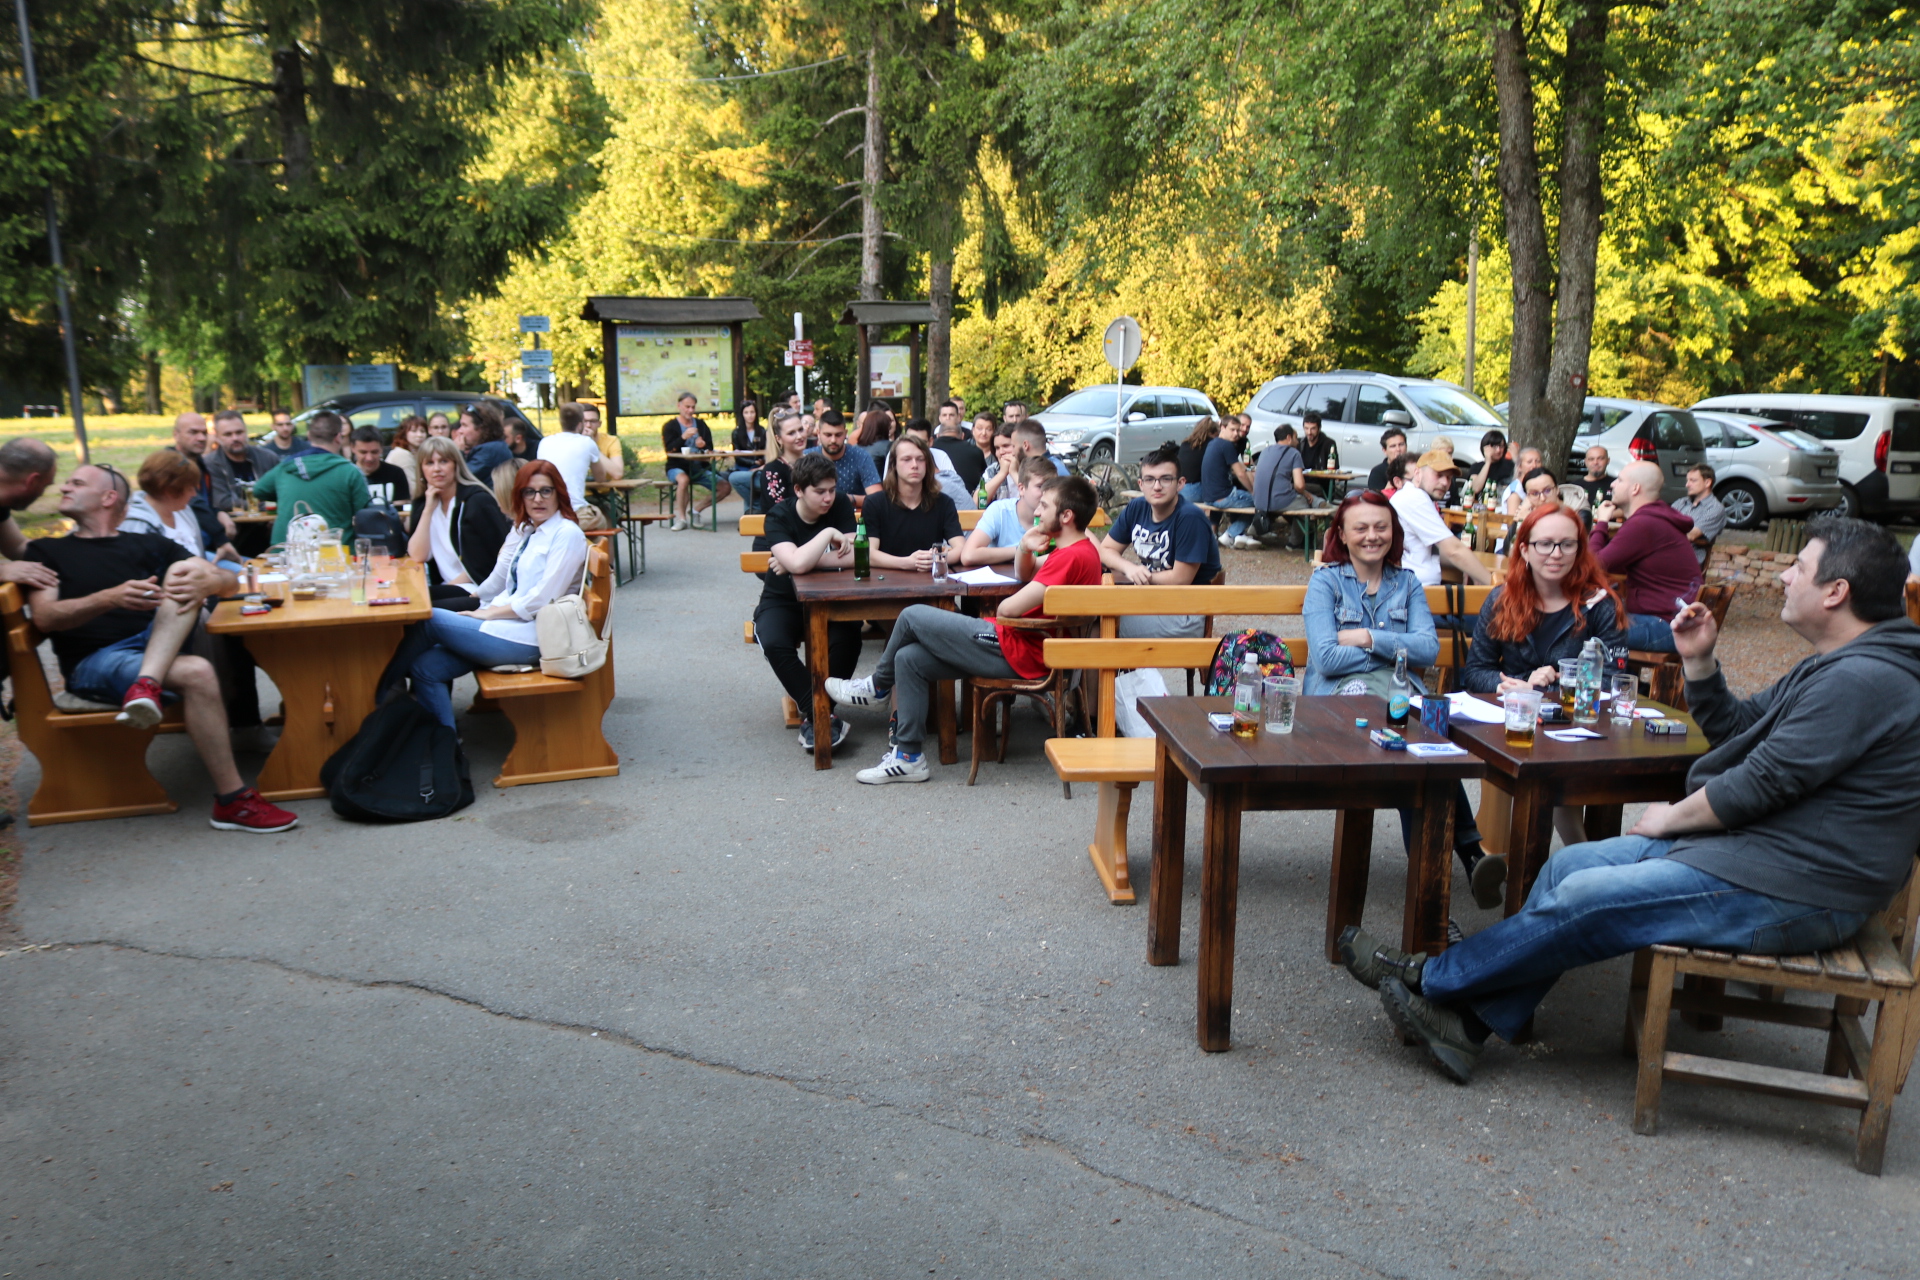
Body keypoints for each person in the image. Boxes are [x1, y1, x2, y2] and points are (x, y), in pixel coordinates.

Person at [1336, 516, 1920, 1085]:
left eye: (1799, 566)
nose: (1787, 577)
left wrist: (1673, 819)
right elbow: (1738, 732)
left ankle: (1432, 979)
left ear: (1836, 592)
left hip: (1801, 886)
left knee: (1589, 897)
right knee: (1567, 863)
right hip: (1757, 853)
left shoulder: (1864, 680)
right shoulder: (1837, 666)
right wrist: (1699, 661)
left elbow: (1761, 782)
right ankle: (1467, 1024)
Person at [22, 463, 298, 832]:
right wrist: (109, 598)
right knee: (198, 672)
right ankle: (234, 800)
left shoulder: (149, 544)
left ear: (109, 497)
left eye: (76, 483)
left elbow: (227, 582)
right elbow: (46, 618)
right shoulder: (45, 550)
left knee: (187, 576)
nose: (64, 488)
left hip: (155, 645)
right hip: (97, 659)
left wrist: (209, 582)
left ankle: (146, 684)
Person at [829, 475, 1104, 784]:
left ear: (1066, 516)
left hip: (1025, 653)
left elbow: (1007, 610)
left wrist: (1014, 598)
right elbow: (1024, 572)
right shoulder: (1077, 551)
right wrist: (1024, 547)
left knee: (912, 616)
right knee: (909, 659)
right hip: (1029, 648)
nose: (1037, 512)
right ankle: (908, 757)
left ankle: (877, 687)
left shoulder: (1068, 557)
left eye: (1044, 505)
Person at [1304, 490, 1487, 887]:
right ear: (1343, 534)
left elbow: (1430, 648)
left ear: (1393, 531)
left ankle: (1437, 888)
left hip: (1399, 702)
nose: (1372, 535)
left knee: (1419, 756)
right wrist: (1394, 652)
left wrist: (1367, 636)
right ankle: (1467, 857)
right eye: (1362, 528)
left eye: (1381, 527)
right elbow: (1326, 660)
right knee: (1418, 753)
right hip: (1341, 703)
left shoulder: (1407, 584)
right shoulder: (1325, 582)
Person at [1461, 501, 1628, 903]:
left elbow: (1614, 676)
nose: (1556, 554)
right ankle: (1584, 875)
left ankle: (1572, 877)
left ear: (1580, 549)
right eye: (1545, 544)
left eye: (1567, 545)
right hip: (1516, 725)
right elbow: (1476, 672)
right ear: (1524, 549)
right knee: (1544, 775)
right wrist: (1509, 687)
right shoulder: (1502, 599)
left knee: (1550, 776)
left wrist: (1557, 682)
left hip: (1580, 724)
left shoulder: (1599, 604)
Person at [381, 461, 587, 726]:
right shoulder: (527, 529)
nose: (538, 499)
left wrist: (487, 613)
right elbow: (499, 579)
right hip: (505, 626)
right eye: (529, 492)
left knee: (429, 620)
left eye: (546, 491)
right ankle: (448, 750)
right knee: (426, 668)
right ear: (519, 496)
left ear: (559, 493)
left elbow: (541, 600)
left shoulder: (566, 534)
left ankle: (377, 697)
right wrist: (476, 598)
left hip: (534, 638)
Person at [751, 453, 860, 752]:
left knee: (849, 637)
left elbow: (850, 555)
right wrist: (827, 533)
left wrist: (798, 560)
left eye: (832, 489)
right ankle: (820, 712)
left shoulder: (839, 504)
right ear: (799, 490)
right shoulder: (779, 516)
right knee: (772, 640)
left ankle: (816, 715)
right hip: (782, 600)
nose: (828, 498)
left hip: (830, 597)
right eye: (819, 491)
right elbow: (799, 563)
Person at [1099, 442, 1223, 637]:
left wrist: (1141, 578)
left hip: (1185, 615)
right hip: (1152, 600)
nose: (1157, 486)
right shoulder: (1137, 507)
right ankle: (1133, 669)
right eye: (1149, 479)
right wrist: (1130, 569)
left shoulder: (1190, 518)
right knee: (1090, 614)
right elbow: (1105, 549)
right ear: (1140, 484)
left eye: (1165, 479)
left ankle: (1131, 668)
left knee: (1099, 626)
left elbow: (1180, 579)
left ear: (1180, 483)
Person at [1590, 459, 1701, 653]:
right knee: (1594, 621)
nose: (1612, 484)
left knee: (1583, 628)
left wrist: (1601, 523)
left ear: (1635, 488)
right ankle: (1628, 681)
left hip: (1669, 627)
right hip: (1675, 621)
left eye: (1619, 480)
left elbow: (1592, 564)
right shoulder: (1653, 518)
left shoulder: (1644, 524)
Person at [406, 437, 512, 607]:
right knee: (407, 599)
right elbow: (418, 555)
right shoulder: (423, 503)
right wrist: (427, 511)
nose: (437, 469)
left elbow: (496, 556)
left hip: (479, 589)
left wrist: (449, 587)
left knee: (420, 606)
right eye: (429, 463)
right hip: (447, 587)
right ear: (421, 470)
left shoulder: (476, 501)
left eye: (444, 461)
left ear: (456, 464)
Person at [251, 411, 371, 543]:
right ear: (338, 437)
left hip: (284, 554)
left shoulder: (285, 467)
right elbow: (365, 515)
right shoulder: (351, 472)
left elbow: (259, 490)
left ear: (309, 436)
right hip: (333, 554)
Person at [1389, 445, 1492, 588]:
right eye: (1438, 475)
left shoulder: (1413, 496)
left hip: (1415, 587)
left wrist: (1473, 569)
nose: (1445, 483)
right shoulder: (1414, 497)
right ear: (1417, 473)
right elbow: (1453, 550)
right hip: (1417, 593)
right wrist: (1496, 586)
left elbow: (1438, 552)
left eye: (1449, 478)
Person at [962, 456, 1055, 567]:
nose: (1047, 492)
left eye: (1052, 487)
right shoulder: (1000, 510)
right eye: (1040, 486)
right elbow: (968, 555)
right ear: (1021, 489)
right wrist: (1022, 549)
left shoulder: (1059, 516)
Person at [119, 451, 209, 560]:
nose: (194, 494)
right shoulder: (138, 525)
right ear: (170, 491)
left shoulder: (184, 511)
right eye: (190, 489)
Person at [537, 402, 612, 529]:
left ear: (561, 422)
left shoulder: (544, 442)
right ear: (580, 424)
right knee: (604, 522)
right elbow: (601, 478)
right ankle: (604, 549)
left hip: (548, 511)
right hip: (575, 512)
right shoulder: (587, 443)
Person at [660, 391, 726, 529]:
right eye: (687, 407)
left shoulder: (701, 425)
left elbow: (709, 449)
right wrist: (683, 438)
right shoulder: (670, 426)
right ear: (679, 406)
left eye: (693, 407)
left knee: (724, 487)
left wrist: (704, 446)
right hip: (677, 466)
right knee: (683, 480)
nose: (690, 410)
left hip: (699, 467)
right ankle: (682, 519)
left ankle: (696, 510)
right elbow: (669, 450)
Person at [1194, 415, 1258, 548]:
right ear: (1222, 427)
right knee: (1260, 503)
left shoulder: (1213, 443)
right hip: (1223, 496)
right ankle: (1230, 534)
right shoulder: (1226, 445)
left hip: (1209, 496)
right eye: (1232, 430)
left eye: (1238, 430)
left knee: (1242, 497)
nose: (1236, 433)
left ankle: (1232, 534)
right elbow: (1240, 473)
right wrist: (1253, 491)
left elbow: (1247, 463)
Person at [883, 419, 976, 511]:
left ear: (930, 442)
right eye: (907, 459)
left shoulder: (944, 487)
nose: (914, 465)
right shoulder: (895, 454)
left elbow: (951, 485)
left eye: (920, 459)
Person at [1252, 423, 1316, 546]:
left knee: (1300, 498)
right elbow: (1299, 485)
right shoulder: (1294, 453)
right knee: (1306, 507)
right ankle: (1295, 543)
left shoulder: (1265, 451)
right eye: (1296, 438)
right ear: (1289, 437)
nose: (1297, 442)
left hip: (1259, 500)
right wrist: (1304, 493)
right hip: (1279, 501)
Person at [204, 410, 279, 512]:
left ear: (246, 432)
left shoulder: (269, 458)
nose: (235, 438)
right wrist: (261, 506)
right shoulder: (210, 464)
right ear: (217, 437)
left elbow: (281, 492)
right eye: (228, 434)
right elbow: (223, 501)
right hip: (234, 525)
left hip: (270, 521)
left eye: (239, 432)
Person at [806, 409, 883, 504]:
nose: (833, 440)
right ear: (818, 433)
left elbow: (877, 499)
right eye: (828, 435)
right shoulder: (807, 458)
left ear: (846, 433)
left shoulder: (861, 456)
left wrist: (846, 499)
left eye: (838, 435)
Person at [1670, 464, 1727, 567]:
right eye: (1687, 480)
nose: (1687, 485)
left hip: (1687, 559)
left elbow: (1691, 535)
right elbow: (1661, 525)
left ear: (1707, 482)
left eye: (1693, 480)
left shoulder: (1715, 509)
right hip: (1666, 553)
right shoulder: (1681, 502)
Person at [456, 402, 516, 489]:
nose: (459, 431)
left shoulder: (490, 450)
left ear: (481, 428)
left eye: (464, 426)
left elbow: (461, 478)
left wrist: (458, 452)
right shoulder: (493, 447)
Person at [349, 427, 413, 506]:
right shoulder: (346, 476)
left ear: (381, 448)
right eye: (363, 452)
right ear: (352, 448)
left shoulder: (395, 473)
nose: (369, 458)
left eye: (374, 452)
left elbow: (402, 506)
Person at [933, 400, 987, 491]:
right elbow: (984, 478)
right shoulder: (975, 451)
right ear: (962, 436)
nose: (948, 418)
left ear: (938, 436)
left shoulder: (930, 450)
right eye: (944, 415)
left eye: (951, 415)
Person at [725, 400, 767, 506]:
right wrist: (752, 462)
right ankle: (755, 505)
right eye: (746, 412)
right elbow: (737, 456)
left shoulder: (762, 431)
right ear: (742, 414)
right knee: (743, 480)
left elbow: (766, 450)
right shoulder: (736, 432)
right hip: (743, 465)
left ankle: (752, 508)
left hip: (760, 464)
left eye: (752, 412)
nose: (750, 415)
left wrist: (760, 462)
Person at [1466, 430, 1513, 500]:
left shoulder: (1510, 465)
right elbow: (1475, 489)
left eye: (1501, 446)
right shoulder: (1476, 467)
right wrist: (1488, 462)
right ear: (1486, 447)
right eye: (1494, 446)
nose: (1498, 450)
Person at [1176, 416, 1219, 488]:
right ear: (1212, 433)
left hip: (1180, 487)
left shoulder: (1185, 443)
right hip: (1195, 488)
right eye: (1217, 435)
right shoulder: (1211, 445)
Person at [1365, 426, 1408, 493]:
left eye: (1401, 444)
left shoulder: (1415, 468)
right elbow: (1376, 500)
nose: (1398, 449)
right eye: (1393, 446)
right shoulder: (1377, 472)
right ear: (1385, 450)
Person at [1298, 410, 1334, 475]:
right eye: (1306, 428)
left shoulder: (1328, 444)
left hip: (1319, 481)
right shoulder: (1299, 443)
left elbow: (1334, 467)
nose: (1309, 432)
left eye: (1313, 429)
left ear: (1319, 428)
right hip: (1301, 481)